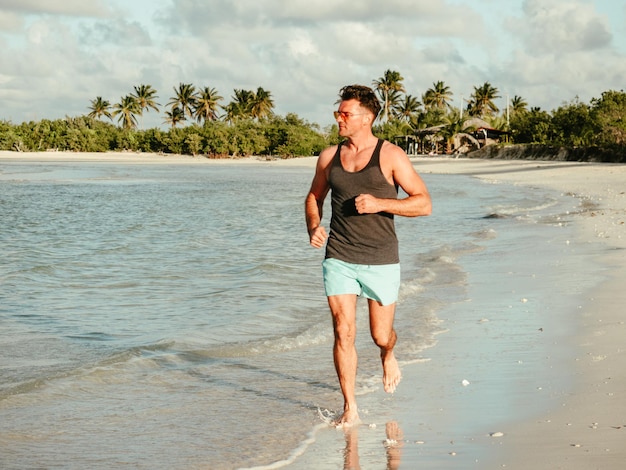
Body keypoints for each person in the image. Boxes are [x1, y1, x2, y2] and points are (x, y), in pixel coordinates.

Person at [305, 84, 432, 427]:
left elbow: (423, 202)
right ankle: (350, 407)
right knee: (343, 330)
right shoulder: (329, 157)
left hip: (380, 257)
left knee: (380, 335)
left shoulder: (390, 156)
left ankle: (389, 354)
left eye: (345, 114)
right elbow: (314, 197)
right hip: (339, 255)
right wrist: (314, 227)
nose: (339, 119)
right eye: (338, 113)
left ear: (367, 118)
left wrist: (381, 204)